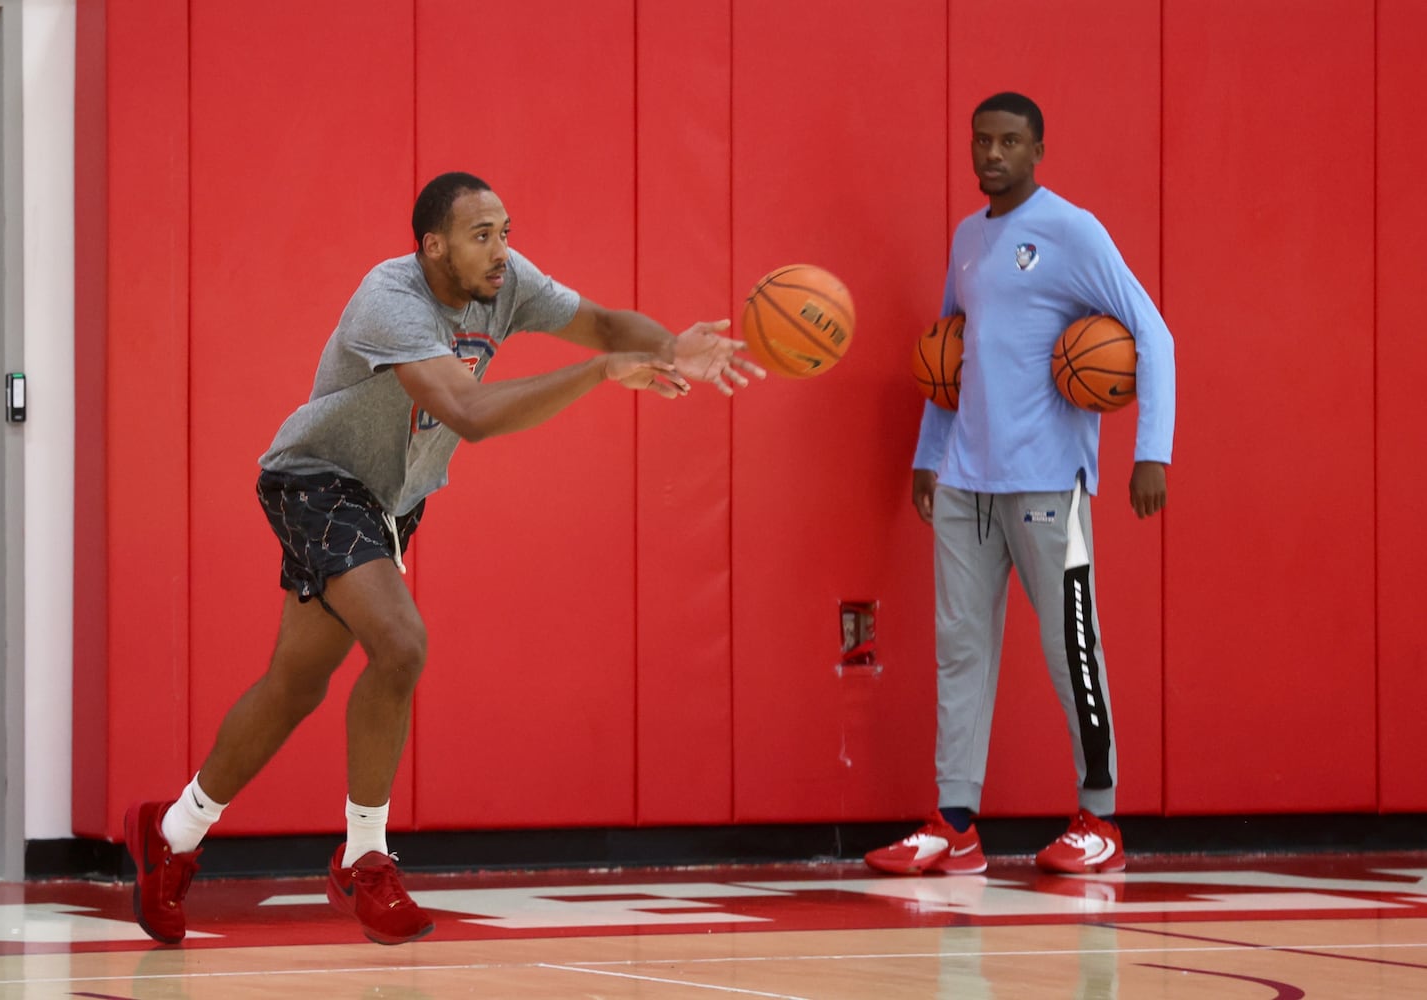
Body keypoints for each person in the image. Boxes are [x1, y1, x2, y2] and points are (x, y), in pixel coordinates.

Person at [123, 171, 765, 945]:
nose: (502, 249)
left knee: (295, 686)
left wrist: (666, 345)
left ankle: (172, 834)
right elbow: (468, 412)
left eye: (505, 231)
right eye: (481, 235)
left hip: (392, 497)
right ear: (434, 247)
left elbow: (597, 323)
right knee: (401, 644)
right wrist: (602, 374)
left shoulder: (507, 281)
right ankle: (365, 859)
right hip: (318, 479)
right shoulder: (389, 299)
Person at [865, 93, 1175, 877]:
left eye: (1009, 141)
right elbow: (949, 356)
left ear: (1038, 150)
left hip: (1049, 486)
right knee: (961, 650)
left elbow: (1153, 334)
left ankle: (1099, 817)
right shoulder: (968, 238)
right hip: (967, 485)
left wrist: (1152, 451)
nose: (992, 154)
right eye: (982, 140)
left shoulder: (1073, 230)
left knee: (1071, 647)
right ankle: (956, 823)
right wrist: (928, 455)